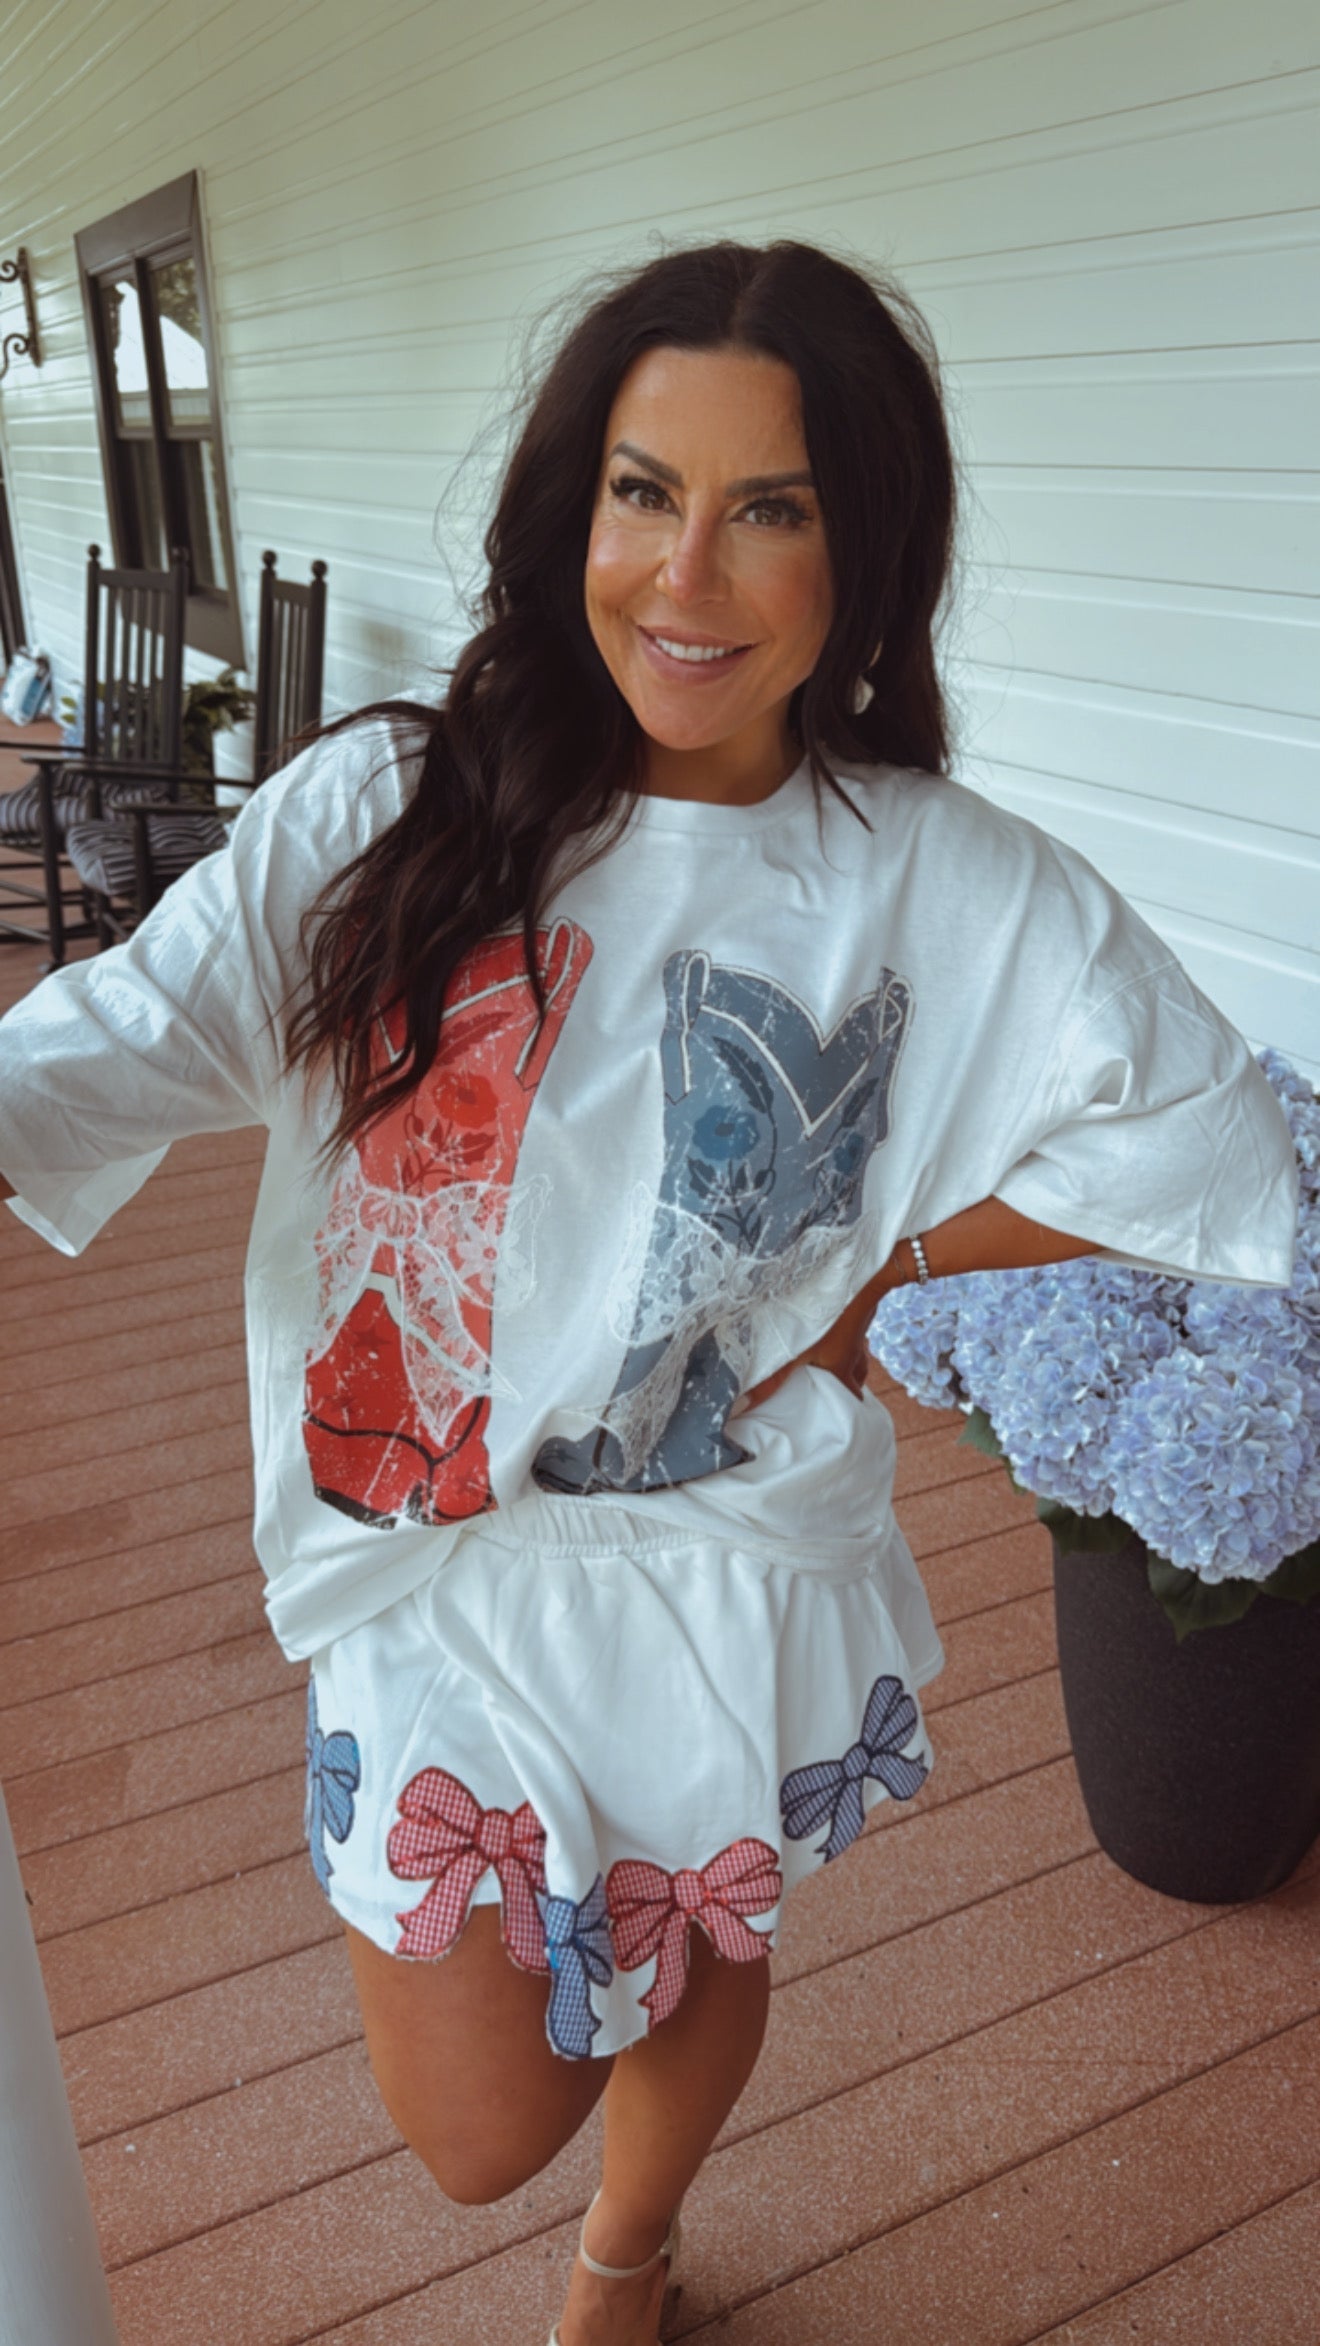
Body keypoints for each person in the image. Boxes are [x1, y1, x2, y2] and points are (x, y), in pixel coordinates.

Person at [0, 241, 1296, 2346]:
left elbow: (1203, 1139)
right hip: (420, 1566)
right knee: (468, 2125)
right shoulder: (383, 812)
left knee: (696, 1925)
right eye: (640, 489)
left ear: (864, 552)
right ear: (567, 511)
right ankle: (602, 2131)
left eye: (770, 507)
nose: (688, 572)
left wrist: (900, 1252)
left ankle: (634, 2252)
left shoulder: (932, 878)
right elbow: (119, 1035)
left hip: (722, 1556)